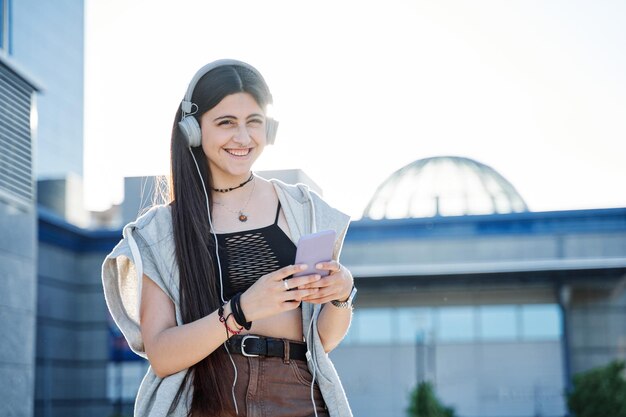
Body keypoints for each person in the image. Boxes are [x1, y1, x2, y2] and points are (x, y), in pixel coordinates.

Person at [102, 59, 357, 417]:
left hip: (296, 395)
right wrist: (242, 310)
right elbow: (162, 355)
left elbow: (323, 341)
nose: (243, 137)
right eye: (226, 123)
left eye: (254, 122)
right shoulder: (160, 231)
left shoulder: (303, 209)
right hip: (206, 397)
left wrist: (342, 294)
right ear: (193, 129)